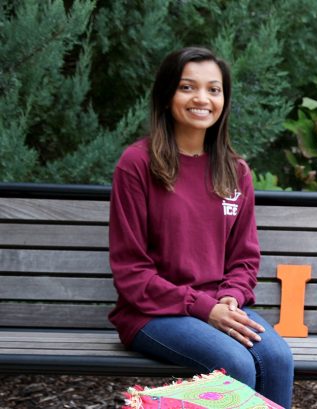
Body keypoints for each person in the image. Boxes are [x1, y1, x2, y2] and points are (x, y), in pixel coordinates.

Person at [108, 47, 293, 407]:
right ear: (166, 96)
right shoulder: (137, 164)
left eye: (214, 89)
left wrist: (230, 297)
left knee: (277, 359)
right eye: (188, 87)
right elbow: (132, 273)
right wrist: (203, 307)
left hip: (219, 306)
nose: (202, 99)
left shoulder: (235, 170)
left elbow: (244, 258)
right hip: (153, 313)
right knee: (236, 362)